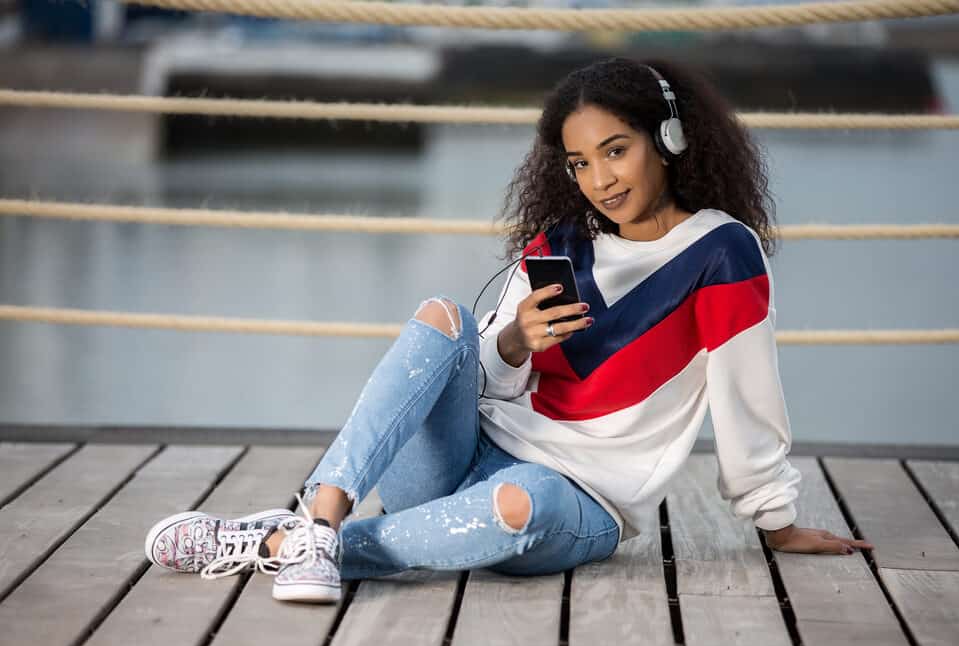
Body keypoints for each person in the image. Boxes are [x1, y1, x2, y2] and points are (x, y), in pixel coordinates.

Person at [144, 57, 872, 604]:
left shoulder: (722, 253)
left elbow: (748, 401)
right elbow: (488, 382)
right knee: (443, 316)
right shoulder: (561, 241)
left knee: (523, 500)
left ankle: (273, 543)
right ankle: (319, 518)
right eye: (580, 163)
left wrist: (776, 520)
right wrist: (513, 340)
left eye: (617, 150)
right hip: (467, 458)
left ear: (668, 139)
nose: (600, 180)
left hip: (581, 502)